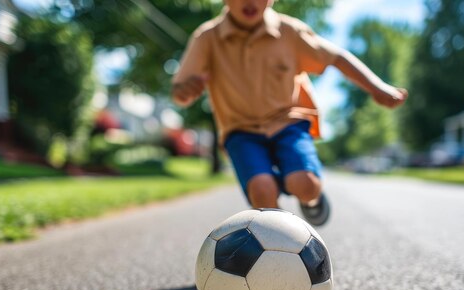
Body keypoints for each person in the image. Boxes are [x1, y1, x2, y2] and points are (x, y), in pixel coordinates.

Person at [172, 0, 407, 226]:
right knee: (262, 192)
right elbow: (178, 90)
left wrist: (378, 87)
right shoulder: (207, 38)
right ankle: (280, 243)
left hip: (287, 122)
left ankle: (312, 199)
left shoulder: (289, 32)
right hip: (240, 131)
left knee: (305, 185)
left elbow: (337, 57)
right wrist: (186, 91)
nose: (250, 1)